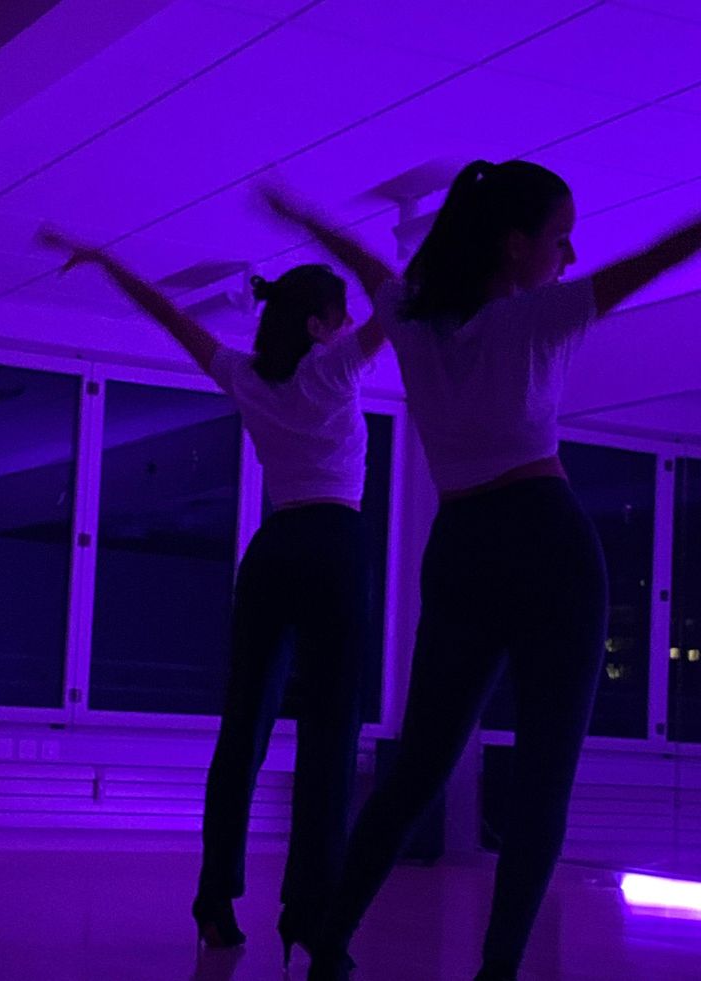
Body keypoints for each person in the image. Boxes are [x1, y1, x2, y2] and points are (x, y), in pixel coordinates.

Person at [274, 161, 701, 981]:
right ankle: (496, 971)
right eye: (559, 237)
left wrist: (301, 211)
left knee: (419, 766)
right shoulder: (542, 316)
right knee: (543, 778)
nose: (569, 255)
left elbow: (366, 265)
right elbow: (653, 259)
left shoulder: (412, 315)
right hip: (548, 544)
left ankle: (329, 943)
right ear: (515, 246)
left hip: (463, 543)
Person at [37, 217, 387, 967]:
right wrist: (311, 219)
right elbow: (401, 305)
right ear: (322, 325)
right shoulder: (333, 370)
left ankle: (215, 900)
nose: (352, 325)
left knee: (244, 731)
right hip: (333, 546)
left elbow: (172, 319)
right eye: (342, 315)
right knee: (330, 735)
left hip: (273, 550)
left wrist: (108, 257)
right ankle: (310, 913)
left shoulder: (250, 376)